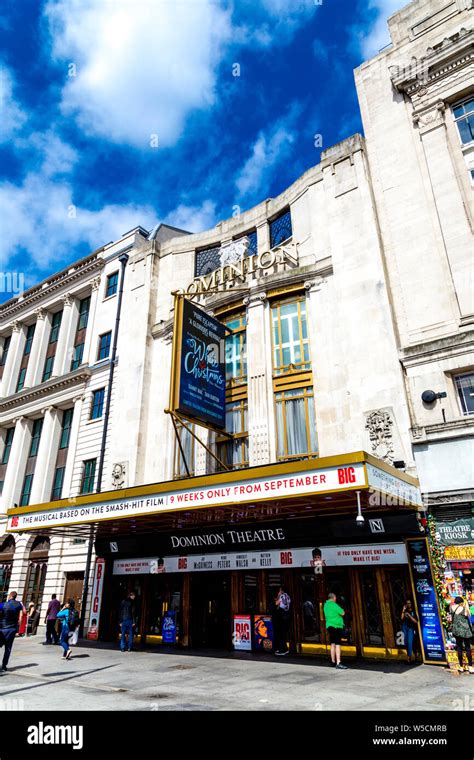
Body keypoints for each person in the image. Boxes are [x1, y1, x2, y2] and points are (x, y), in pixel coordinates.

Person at [0, 591, 24, 671]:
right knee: (8, 648)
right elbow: (23, 613)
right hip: (12, 629)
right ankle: (4, 666)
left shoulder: (3, 604)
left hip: (2, 628)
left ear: (10, 596)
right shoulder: (18, 604)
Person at [323, 592, 348, 670]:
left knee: (332, 643)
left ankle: (333, 661)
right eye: (335, 598)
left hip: (329, 626)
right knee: (338, 644)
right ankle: (338, 662)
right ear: (333, 598)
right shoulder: (334, 605)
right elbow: (342, 613)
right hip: (336, 626)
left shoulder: (325, 605)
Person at [450, 596, 474, 674]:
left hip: (456, 631)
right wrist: (466, 605)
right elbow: (469, 615)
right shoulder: (463, 608)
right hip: (465, 631)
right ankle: (470, 667)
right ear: (461, 602)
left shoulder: (451, 608)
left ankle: (461, 667)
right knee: (467, 648)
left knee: (459, 647)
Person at [273, 586, 291, 656]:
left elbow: (276, 603)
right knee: (284, 634)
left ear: (281, 590)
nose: (278, 592)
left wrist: (278, 596)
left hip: (281, 618)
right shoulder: (288, 596)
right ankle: (285, 649)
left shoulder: (282, 596)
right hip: (287, 617)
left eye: (279, 590)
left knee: (281, 635)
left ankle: (282, 650)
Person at [401, 599, 418, 664]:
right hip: (405, 627)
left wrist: (410, 616)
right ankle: (409, 655)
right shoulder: (405, 611)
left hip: (411, 628)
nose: (408, 604)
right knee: (406, 642)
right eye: (407, 603)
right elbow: (401, 618)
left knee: (410, 642)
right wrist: (403, 610)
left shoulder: (413, 611)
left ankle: (409, 657)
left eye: (409, 603)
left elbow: (416, 621)